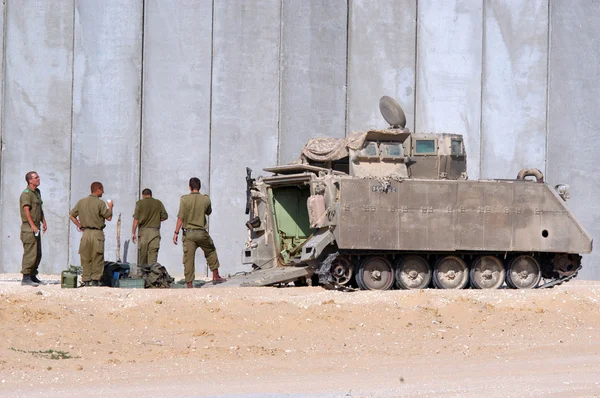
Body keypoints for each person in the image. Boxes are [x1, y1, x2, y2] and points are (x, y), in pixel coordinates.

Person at [173, 177, 226, 288]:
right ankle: (215, 275)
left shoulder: (184, 199)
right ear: (199, 187)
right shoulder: (206, 199)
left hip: (189, 234)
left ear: (190, 187)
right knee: (210, 251)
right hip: (202, 233)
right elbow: (209, 212)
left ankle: (189, 284)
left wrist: (176, 232)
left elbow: (180, 218)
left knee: (188, 259)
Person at [69, 182, 113, 287]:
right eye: (102, 189)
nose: (103, 192)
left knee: (85, 257)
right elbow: (109, 217)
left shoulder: (81, 202)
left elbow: (71, 215)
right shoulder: (100, 203)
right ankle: (95, 281)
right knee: (97, 257)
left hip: (86, 233)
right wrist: (110, 207)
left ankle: (86, 280)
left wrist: (79, 225)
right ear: (97, 189)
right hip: (97, 233)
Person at [20, 171, 47, 286]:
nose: (38, 179)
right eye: (36, 178)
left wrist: (44, 221)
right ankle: (25, 277)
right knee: (30, 253)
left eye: (38, 177)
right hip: (29, 227)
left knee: (37, 253)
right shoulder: (27, 194)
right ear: (30, 180)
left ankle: (33, 275)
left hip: (36, 226)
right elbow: (26, 210)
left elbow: (39, 209)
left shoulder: (37, 192)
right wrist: (32, 226)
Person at [132, 188, 168, 266]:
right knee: (153, 258)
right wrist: (156, 219)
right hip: (155, 233)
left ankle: (143, 275)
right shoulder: (158, 203)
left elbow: (136, 219)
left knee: (143, 257)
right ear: (151, 195)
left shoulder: (139, 203)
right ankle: (152, 276)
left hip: (143, 233)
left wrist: (133, 233)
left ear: (143, 195)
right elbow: (165, 216)